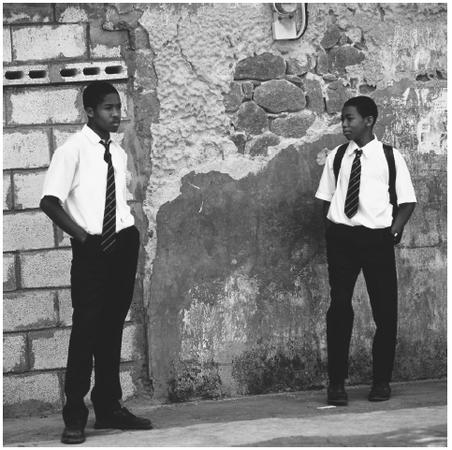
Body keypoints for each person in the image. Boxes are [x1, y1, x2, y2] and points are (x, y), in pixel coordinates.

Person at [40, 81, 152, 444]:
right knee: (85, 331)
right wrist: (84, 238)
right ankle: (75, 414)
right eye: (108, 108)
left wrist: (129, 234)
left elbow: (115, 203)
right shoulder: (71, 150)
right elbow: (50, 201)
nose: (116, 114)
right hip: (91, 249)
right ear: (89, 111)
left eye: (118, 107)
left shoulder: (116, 154)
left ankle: (108, 407)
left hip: (122, 243)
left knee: (111, 330)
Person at [315, 96, 416, 406]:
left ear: (369, 120)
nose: (344, 124)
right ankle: (336, 384)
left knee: (385, 313)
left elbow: (407, 200)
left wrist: (394, 230)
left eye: (350, 119)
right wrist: (335, 229)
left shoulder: (389, 157)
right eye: (343, 119)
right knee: (340, 308)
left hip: (377, 240)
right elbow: (325, 198)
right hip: (343, 241)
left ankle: (381, 382)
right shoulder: (337, 157)